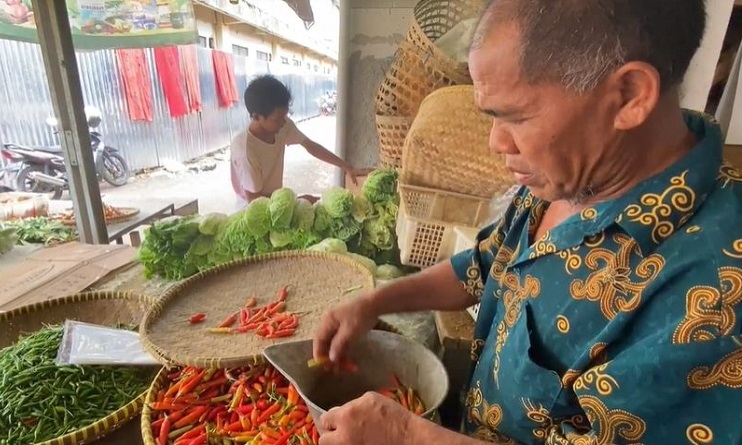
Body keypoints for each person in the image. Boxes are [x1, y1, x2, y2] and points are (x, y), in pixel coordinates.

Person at [313, 1, 742, 444]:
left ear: (630, 95)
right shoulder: (567, 176)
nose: (497, 142)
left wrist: (407, 435)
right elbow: (483, 266)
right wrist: (375, 303)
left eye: (515, 116)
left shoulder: (717, 295)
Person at [230, 75, 366, 208]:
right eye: (277, 119)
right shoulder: (245, 150)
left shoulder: (282, 125)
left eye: (285, 115)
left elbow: (310, 146)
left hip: (278, 204)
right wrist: (298, 201)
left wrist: (347, 167)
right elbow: (255, 200)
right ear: (256, 117)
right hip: (253, 213)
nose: (283, 122)